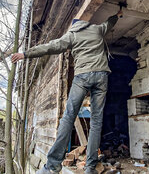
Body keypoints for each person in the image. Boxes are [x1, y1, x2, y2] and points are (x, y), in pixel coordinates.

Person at [11, 9, 123, 174]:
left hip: (82, 76)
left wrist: (26, 54)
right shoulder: (97, 29)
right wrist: (117, 15)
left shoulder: (71, 35)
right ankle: (90, 167)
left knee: (69, 117)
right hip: (101, 76)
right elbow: (109, 22)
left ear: (73, 27)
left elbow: (50, 47)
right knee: (96, 122)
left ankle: (52, 166)